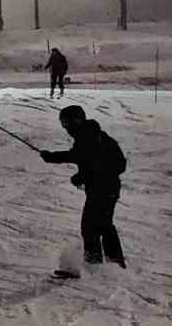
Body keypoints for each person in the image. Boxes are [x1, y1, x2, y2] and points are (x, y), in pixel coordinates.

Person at [40, 105, 127, 270]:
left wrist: (80, 177)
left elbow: (96, 163)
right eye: (62, 123)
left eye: (66, 123)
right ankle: (114, 262)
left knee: (90, 227)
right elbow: (77, 156)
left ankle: (94, 264)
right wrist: (51, 156)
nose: (65, 128)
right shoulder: (91, 135)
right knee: (104, 224)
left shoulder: (89, 138)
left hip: (102, 190)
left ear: (77, 121)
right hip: (108, 189)